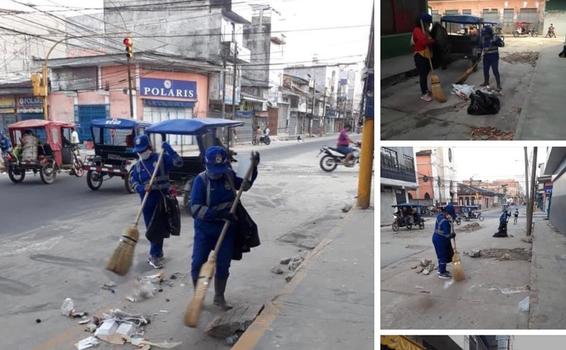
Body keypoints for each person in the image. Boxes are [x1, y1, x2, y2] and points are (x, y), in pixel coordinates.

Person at [189, 146, 259, 309]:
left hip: (226, 230)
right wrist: (219, 213)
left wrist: (253, 168)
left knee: (223, 264)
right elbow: (195, 209)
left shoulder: (228, 175)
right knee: (198, 263)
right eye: (215, 169)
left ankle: (219, 297)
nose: (218, 173)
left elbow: (244, 186)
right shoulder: (200, 181)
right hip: (205, 230)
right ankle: (198, 297)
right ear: (206, 165)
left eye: (221, 169)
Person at [130, 135, 183, 269]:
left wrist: (170, 150)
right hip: (147, 203)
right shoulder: (137, 166)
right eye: (139, 151)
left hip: (162, 201)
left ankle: (155, 254)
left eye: (143, 150)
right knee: (152, 229)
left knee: (158, 228)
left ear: (149, 148)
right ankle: (157, 253)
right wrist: (142, 187)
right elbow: (133, 182)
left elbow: (179, 163)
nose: (141, 153)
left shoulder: (161, 159)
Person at [411, 13, 435, 102]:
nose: (428, 25)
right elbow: (424, 42)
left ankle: (425, 90)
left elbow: (430, 40)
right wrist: (431, 41)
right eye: (428, 23)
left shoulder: (425, 30)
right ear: (423, 22)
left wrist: (430, 40)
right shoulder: (417, 30)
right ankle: (424, 94)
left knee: (426, 73)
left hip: (426, 55)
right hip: (420, 56)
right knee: (423, 75)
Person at [432, 203, 456, 279]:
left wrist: (451, 221)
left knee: (440, 255)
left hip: (436, 238)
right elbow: (447, 234)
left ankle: (440, 269)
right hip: (441, 240)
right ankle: (442, 273)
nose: (451, 216)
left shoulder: (440, 216)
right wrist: (452, 235)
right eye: (450, 214)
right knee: (443, 256)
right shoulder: (445, 222)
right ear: (447, 213)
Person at [480, 25, 504, 92]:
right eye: (484, 34)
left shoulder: (495, 37)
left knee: (495, 71)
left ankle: (498, 85)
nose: (485, 35)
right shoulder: (483, 38)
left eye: (486, 34)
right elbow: (480, 47)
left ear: (489, 33)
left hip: (494, 58)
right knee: (485, 71)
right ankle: (486, 82)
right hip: (486, 58)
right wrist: (478, 54)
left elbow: (502, 44)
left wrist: (496, 42)